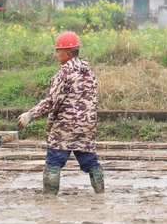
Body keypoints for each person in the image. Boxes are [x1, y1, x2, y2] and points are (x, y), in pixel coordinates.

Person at [16, 31, 103, 195]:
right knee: (90, 161)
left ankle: (49, 198)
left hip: (65, 127)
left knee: (54, 161)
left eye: (58, 52)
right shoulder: (89, 74)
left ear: (67, 54)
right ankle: (100, 194)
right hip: (87, 126)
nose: (56, 55)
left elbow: (51, 102)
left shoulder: (63, 74)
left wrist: (31, 114)